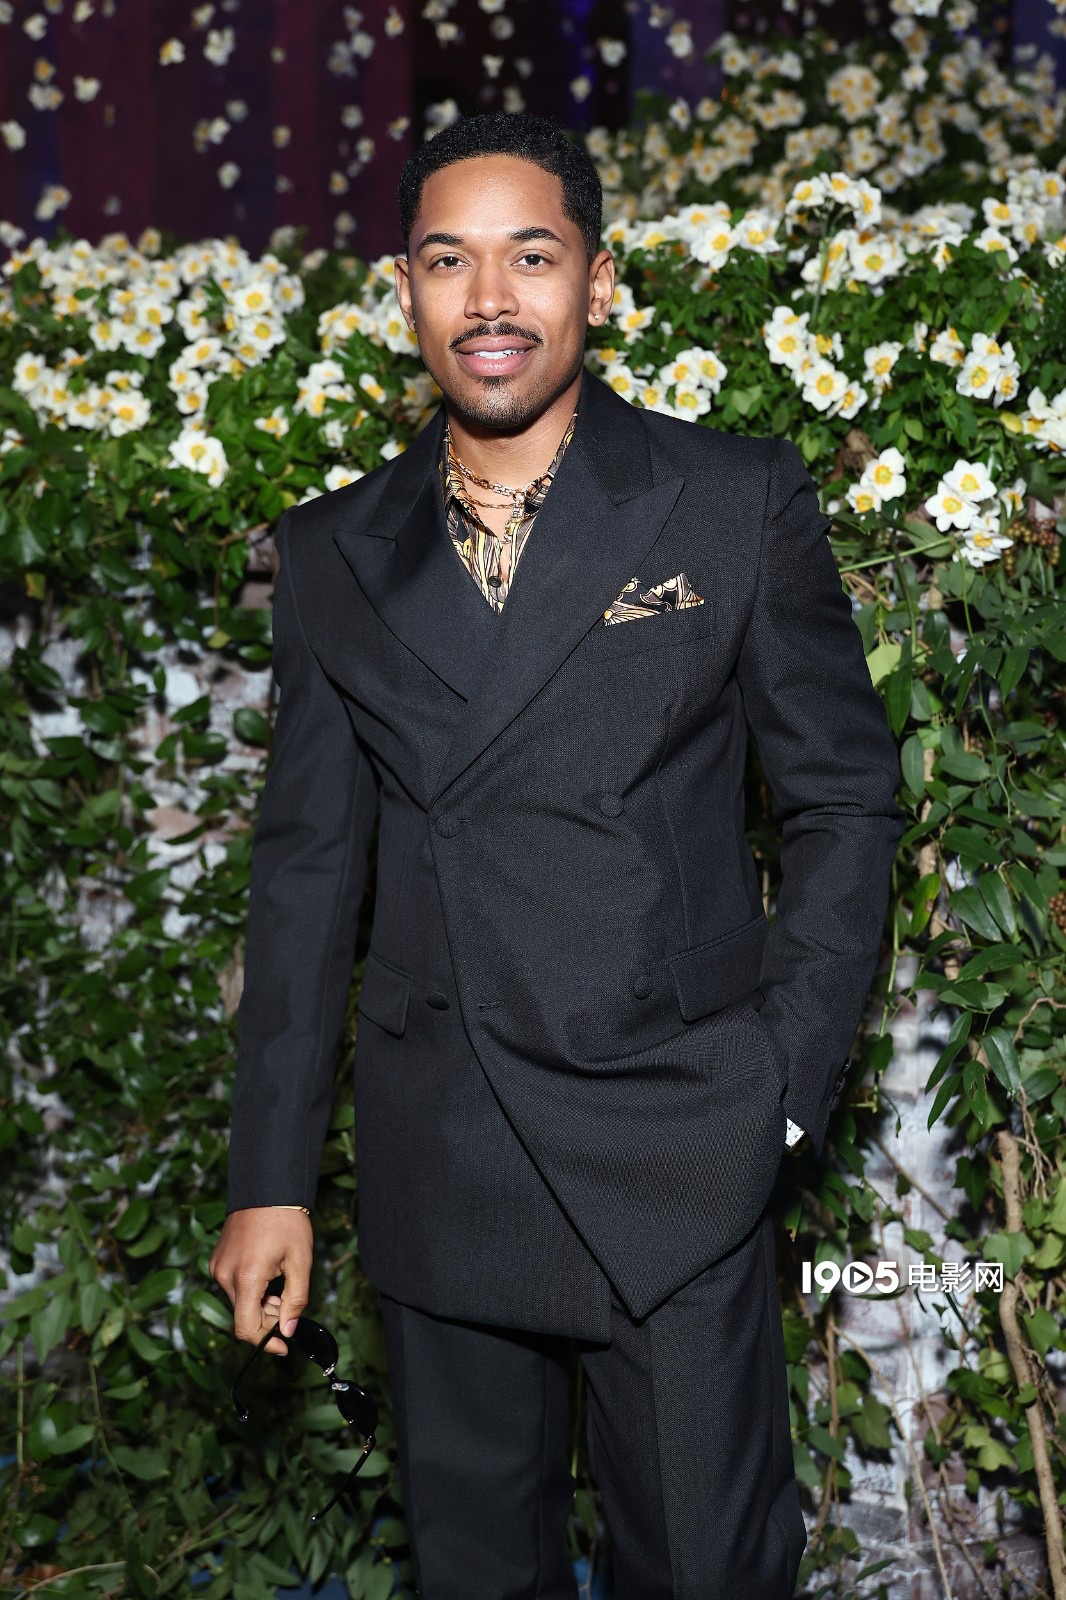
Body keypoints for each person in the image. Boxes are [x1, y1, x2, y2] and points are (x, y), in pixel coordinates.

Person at [209, 111, 905, 1598]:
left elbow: (845, 801)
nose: (490, 299)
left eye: (531, 257)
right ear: (404, 291)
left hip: (678, 1130)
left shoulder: (728, 496)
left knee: (709, 1572)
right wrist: (270, 1178)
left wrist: (784, 1087)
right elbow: (306, 880)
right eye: (447, 261)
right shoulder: (333, 553)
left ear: (598, 279)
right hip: (443, 1146)